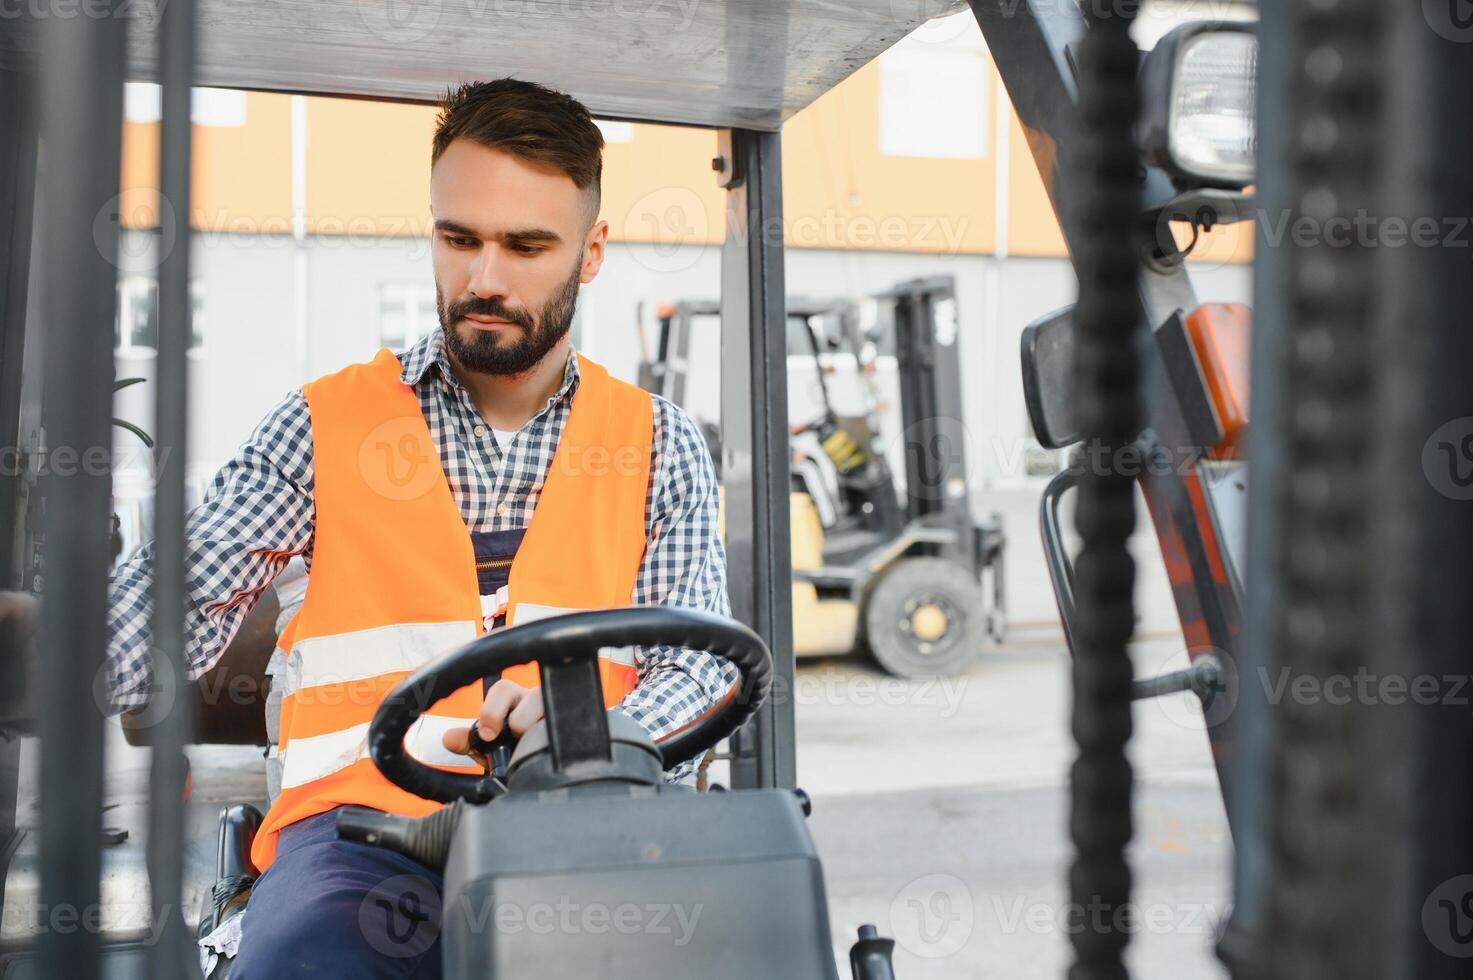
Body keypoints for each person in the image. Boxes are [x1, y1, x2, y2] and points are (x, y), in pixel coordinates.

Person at [15, 77, 738, 978]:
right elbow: (176, 600)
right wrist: (43, 657)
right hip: (362, 833)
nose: (483, 278)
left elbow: (701, 661)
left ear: (591, 253)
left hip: (593, 820)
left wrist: (590, 733)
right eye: (457, 238)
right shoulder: (325, 425)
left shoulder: (656, 442)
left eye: (526, 246)